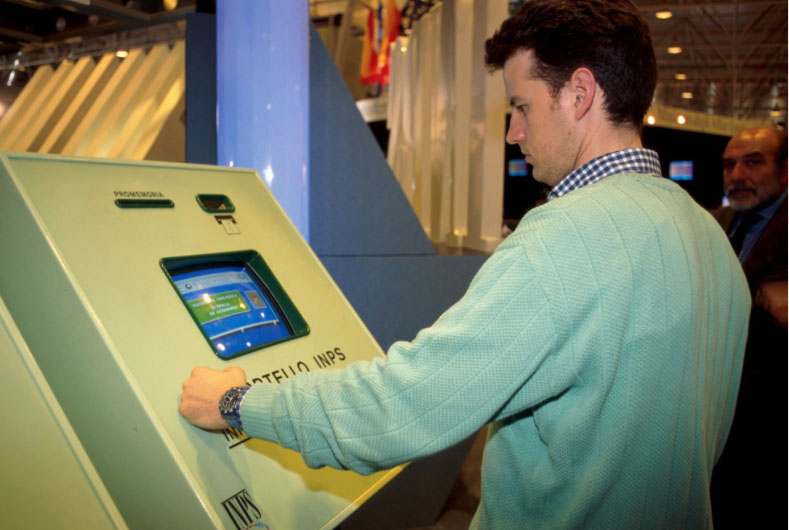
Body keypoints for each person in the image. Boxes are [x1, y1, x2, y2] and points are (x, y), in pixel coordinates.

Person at [180, 1, 751, 528]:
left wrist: (237, 403)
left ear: (580, 93)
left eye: (522, 106)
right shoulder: (711, 240)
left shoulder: (560, 240)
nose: (513, 132)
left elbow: (400, 410)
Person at [710, 127, 787, 529]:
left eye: (753, 163)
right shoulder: (718, 221)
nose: (737, 175)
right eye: (729, 165)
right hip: (718, 409)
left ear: (785, 170)